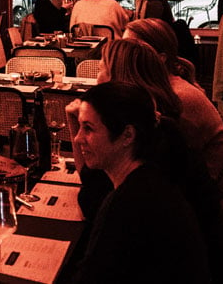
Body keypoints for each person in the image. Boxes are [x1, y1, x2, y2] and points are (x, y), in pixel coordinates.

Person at [68, 82, 211, 284]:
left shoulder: (130, 201)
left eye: (88, 129)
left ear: (127, 135)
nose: (77, 138)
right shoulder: (152, 176)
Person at [123, 20, 223, 235]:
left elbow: (157, 173)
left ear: (160, 58)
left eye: (133, 50)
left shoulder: (178, 99)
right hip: (191, 200)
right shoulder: (161, 90)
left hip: (217, 219)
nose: (123, 55)